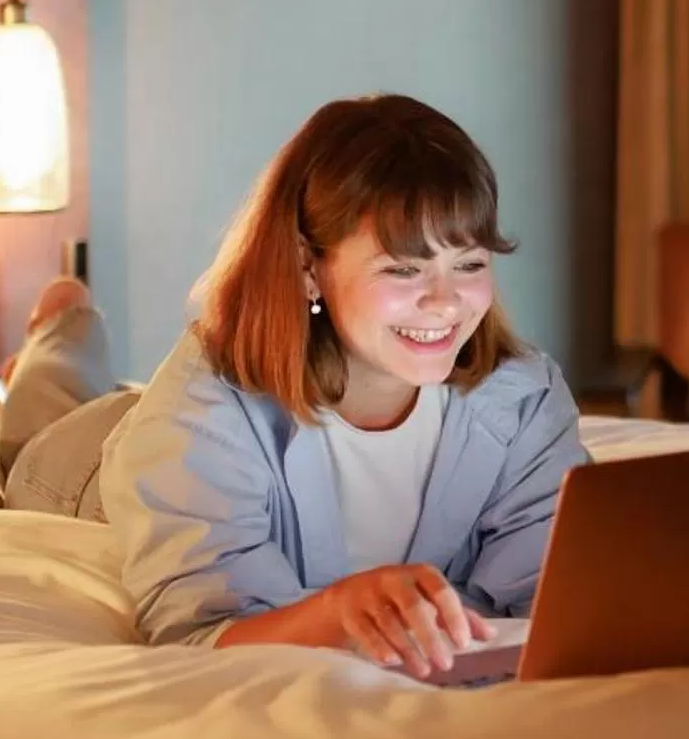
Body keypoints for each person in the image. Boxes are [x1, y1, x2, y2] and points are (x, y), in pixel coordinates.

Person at [97, 94, 586, 673]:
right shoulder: (205, 407)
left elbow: (550, 594)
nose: (444, 302)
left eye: (470, 264)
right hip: (72, 469)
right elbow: (196, 630)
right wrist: (336, 612)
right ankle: (59, 347)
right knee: (43, 419)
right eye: (403, 269)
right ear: (310, 269)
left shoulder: (524, 398)